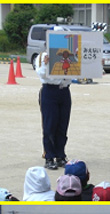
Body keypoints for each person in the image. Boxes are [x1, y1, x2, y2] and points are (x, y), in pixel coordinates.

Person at [36, 28, 73, 171]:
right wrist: (46, 63)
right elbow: (42, 75)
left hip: (64, 91)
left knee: (63, 125)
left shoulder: (70, 54)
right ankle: (49, 156)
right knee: (50, 125)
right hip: (49, 91)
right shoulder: (43, 56)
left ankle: (60, 155)